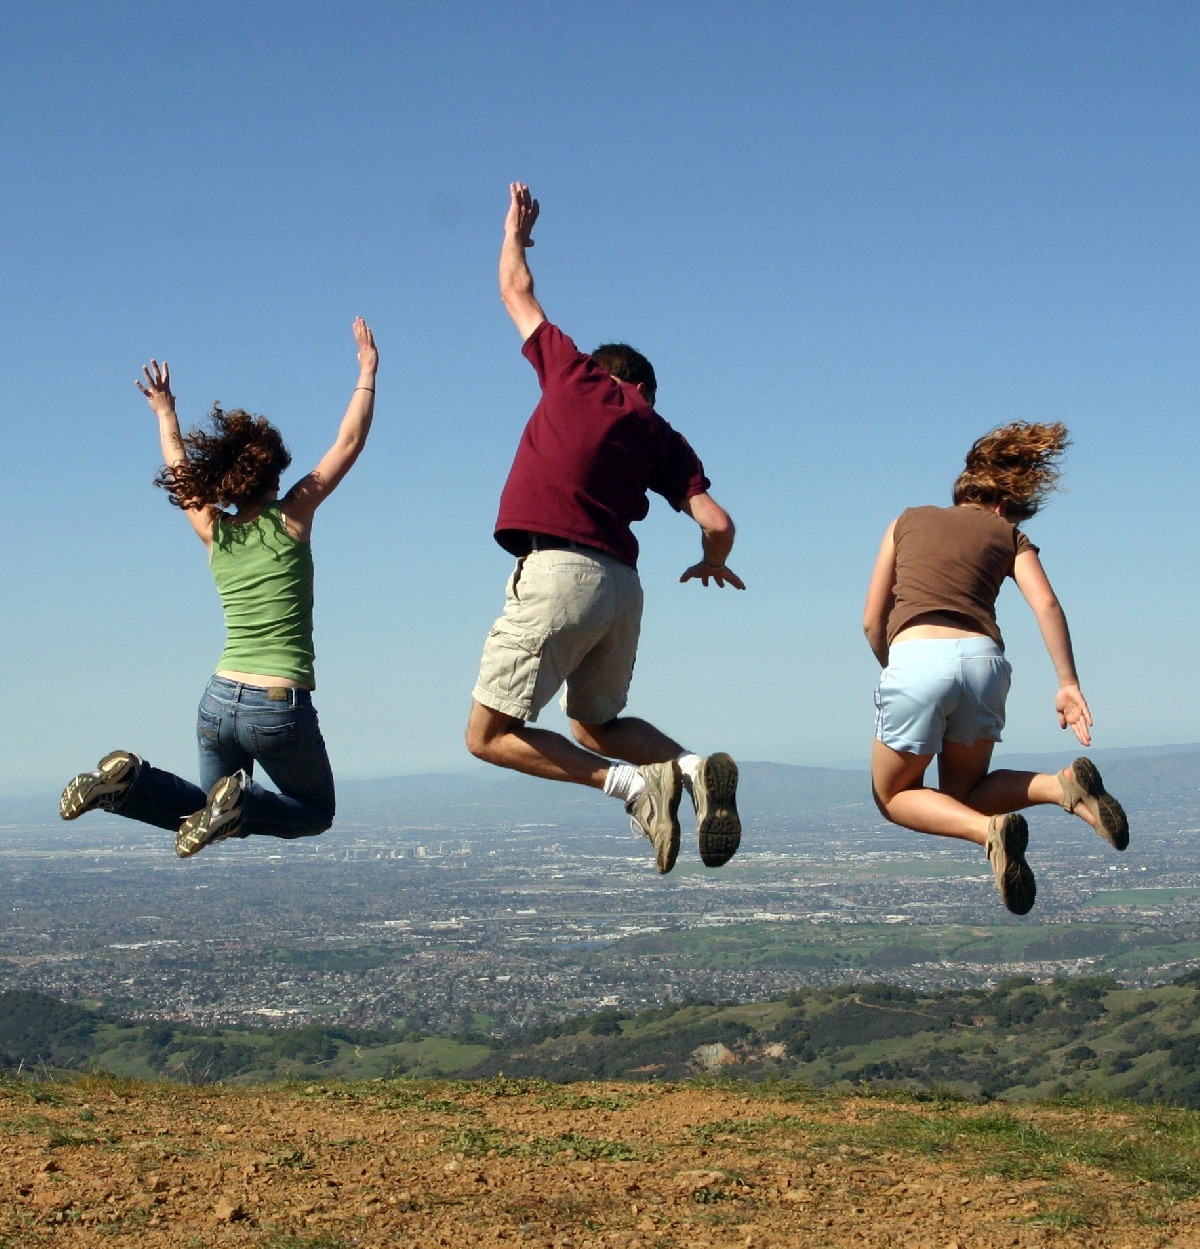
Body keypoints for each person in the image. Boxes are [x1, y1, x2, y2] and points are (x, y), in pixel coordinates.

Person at [466, 183, 745, 875]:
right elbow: (717, 520)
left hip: (560, 572)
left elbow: (513, 288)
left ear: (609, 371)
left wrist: (515, 235)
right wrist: (711, 560)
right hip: (623, 585)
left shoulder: (576, 374)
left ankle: (634, 787)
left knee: (488, 735)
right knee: (597, 723)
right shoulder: (662, 435)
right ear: (649, 389)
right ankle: (690, 767)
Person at [59, 319, 378, 857]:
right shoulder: (292, 517)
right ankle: (241, 808)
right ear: (275, 475)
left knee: (204, 811)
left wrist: (166, 413)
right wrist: (367, 370)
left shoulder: (214, 530)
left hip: (218, 700)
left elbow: (180, 469)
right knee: (314, 814)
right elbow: (349, 441)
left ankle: (127, 785)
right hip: (277, 705)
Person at [862, 421, 1128, 914]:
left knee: (893, 796)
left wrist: (898, 665)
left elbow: (872, 620)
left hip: (917, 656)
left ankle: (991, 833)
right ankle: (1060, 786)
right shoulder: (1010, 535)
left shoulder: (907, 521)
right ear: (1005, 503)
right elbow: (1047, 604)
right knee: (964, 792)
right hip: (985, 664)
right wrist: (1068, 684)